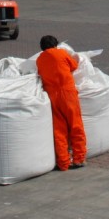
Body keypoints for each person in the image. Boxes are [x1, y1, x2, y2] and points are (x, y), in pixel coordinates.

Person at [36, 35, 87, 171]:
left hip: (52, 96)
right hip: (67, 92)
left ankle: (63, 162)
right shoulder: (61, 53)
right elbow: (74, 66)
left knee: (59, 130)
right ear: (55, 44)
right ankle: (79, 158)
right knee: (75, 124)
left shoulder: (39, 59)